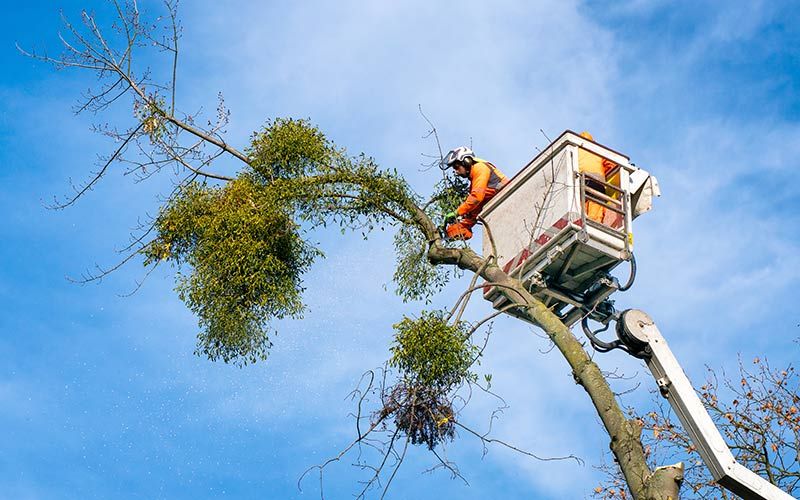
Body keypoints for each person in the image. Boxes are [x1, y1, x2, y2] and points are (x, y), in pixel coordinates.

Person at [443, 146, 509, 240]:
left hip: (508, 196)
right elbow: (473, 211)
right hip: (500, 206)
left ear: (466, 162)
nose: (456, 172)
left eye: (457, 167)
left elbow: (476, 198)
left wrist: (457, 212)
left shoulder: (480, 168)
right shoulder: (475, 183)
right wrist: (456, 230)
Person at [577, 131, 619, 226]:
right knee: (595, 208)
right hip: (596, 183)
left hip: (579, 182)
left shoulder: (575, 149)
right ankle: (594, 225)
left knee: (581, 206)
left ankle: (581, 223)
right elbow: (612, 165)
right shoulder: (596, 150)